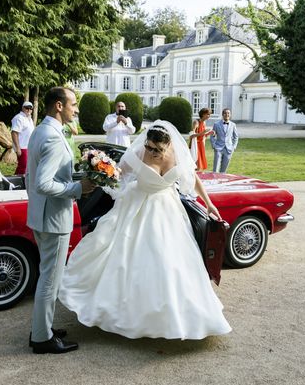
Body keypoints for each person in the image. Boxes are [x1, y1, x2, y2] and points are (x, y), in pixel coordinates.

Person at [59, 120, 232, 340]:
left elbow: (194, 176)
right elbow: (119, 174)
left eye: (157, 149)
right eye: (149, 147)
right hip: (136, 206)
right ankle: (123, 310)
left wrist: (208, 203)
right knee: (126, 258)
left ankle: (174, 316)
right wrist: (102, 168)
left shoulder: (179, 155)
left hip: (167, 210)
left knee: (170, 261)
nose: (151, 152)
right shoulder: (139, 154)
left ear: (168, 145)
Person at [26, 86, 95, 354]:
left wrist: (78, 178)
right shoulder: (52, 137)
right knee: (50, 280)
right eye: (73, 104)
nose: (76, 109)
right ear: (58, 105)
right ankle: (42, 339)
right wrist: (77, 190)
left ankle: (43, 329)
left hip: (41, 215)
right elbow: (43, 183)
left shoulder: (41, 130)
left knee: (48, 276)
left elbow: (40, 177)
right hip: (53, 218)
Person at [210, 108, 239, 173]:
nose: (227, 114)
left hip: (228, 149)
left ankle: (221, 181)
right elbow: (212, 135)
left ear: (230, 115)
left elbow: (236, 137)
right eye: (225, 113)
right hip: (218, 148)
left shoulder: (233, 125)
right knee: (216, 168)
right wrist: (214, 146)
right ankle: (214, 180)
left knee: (224, 169)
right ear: (222, 114)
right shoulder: (216, 124)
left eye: (228, 113)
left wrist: (233, 147)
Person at [11, 101, 35, 175]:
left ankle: (21, 182)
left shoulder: (29, 119)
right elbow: (14, 133)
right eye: (27, 108)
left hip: (28, 146)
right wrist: (18, 148)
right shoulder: (19, 118)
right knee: (23, 166)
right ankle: (16, 183)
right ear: (23, 108)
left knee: (26, 167)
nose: (28, 110)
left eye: (30, 108)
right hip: (22, 146)